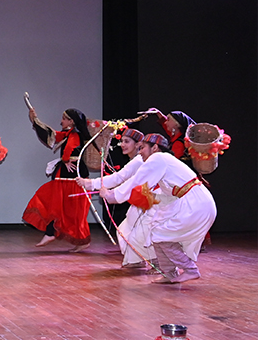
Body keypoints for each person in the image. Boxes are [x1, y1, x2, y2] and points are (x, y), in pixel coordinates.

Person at [101, 133, 216, 284]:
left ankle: (190, 269)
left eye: (142, 148)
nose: (140, 152)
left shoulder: (158, 158)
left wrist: (113, 195)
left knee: (161, 236)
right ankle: (169, 273)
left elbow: (137, 181)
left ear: (154, 147)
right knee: (156, 233)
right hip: (195, 203)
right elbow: (167, 196)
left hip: (196, 204)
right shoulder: (164, 163)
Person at [77, 128, 155, 268]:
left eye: (127, 141)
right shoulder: (136, 160)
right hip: (143, 201)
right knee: (127, 230)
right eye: (122, 141)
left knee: (136, 231)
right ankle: (137, 260)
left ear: (138, 144)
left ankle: (148, 261)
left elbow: (119, 178)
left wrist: (91, 183)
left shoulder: (138, 160)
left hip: (149, 202)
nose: (122, 145)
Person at [22, 107, 92, 252]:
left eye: (64, 119)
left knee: (68, 208)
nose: (61, 122)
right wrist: (35, 120)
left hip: (71, 176)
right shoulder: (67, 134)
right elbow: (52, 135)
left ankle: (59, 235)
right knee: (57, 205)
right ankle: (50, 233)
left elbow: (69, 148)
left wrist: (65, 159)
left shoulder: (74, 135)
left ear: (71, 121)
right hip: (66, 176)